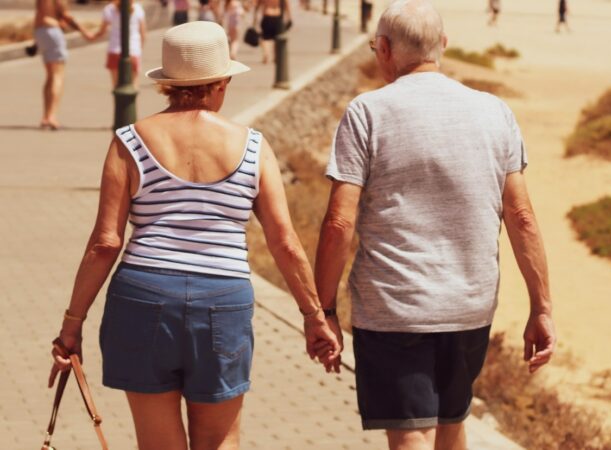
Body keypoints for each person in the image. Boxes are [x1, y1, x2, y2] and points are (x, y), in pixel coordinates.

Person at [48, 22, 341, 449]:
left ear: (166, 85)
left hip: (142, 296)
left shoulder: (129, 142)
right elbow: (285, 242)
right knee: (219, 440)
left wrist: (71, 324)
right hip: (222, 302)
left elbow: (105, 243)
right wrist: (314, 316)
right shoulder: (254, 147)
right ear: (221, 83)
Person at [314, 1, 556, 449]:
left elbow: (338, 222)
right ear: (442, 46)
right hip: (469, 306)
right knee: (451, 423)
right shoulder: (494, 111)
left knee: (412, 437)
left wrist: (322, 310)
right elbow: (521, 216)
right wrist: (541, 307)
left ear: (383, 49)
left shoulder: (368, 112)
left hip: (396, 307)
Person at [33, 0, 92, 130]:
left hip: (40, 30)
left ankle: (46, 116)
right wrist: (84, 31)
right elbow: (65, 14)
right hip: (52, 31)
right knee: (57, 76)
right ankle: (52, 117)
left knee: (50, 76)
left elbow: (41, 13)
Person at [88, 0, 147, 89]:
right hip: (133, 50)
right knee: (134, 84)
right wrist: (140, 49)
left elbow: (102, 31)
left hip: (114, 50)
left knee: (116, 85)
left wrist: (93, 37)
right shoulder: (138, 8)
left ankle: (119, 103)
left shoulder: (109, 9)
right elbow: (143, 34)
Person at [254, 0, 291, 64]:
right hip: (277, 16)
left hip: (267, 16)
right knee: (276, 38)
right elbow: (287, 5)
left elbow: (257, 5)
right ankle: (275, 56)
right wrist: (289, 17)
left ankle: (266, 54)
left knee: (265, 38)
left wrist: (255, 18)